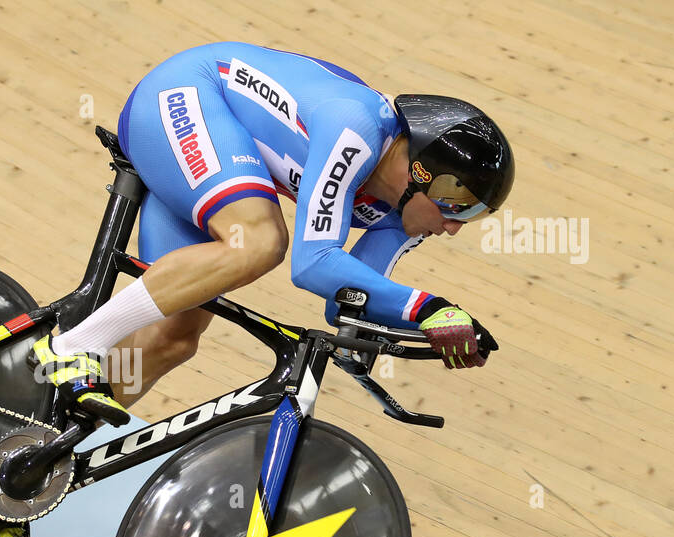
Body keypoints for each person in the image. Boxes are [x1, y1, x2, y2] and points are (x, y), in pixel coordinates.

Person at [31, 42, 514, 425]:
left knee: (176, 334)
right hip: (186, 97)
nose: (454, 227)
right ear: (422, 172)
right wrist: (427, 307)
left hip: (221, 151)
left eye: (473, 216)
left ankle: (37, 453)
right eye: (459, 205)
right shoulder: (358, 129)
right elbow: (313, 263)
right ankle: (71, 348)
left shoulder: (400, 216)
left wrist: (437, 329)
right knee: (259, 242)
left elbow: (349, 301)